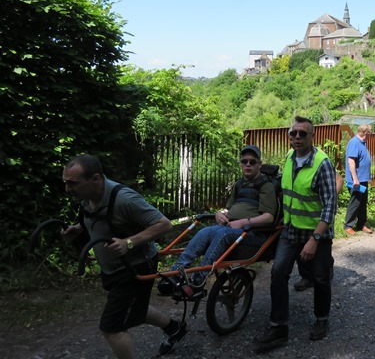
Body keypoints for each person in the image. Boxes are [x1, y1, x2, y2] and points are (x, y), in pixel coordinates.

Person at [61, 154, 187, 358]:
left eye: (73, 183)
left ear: (95, 179)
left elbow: (164, 225)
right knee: (133, 307)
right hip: (113, 268)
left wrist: (129, 242)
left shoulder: (124, 199)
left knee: (111, 327)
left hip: (135, 266)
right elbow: (94, 220)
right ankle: (175, 328)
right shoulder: (86, 197)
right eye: (66, 183)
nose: (68, 189)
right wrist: (78, 228)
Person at [255, 116, 338, 351]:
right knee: (278, 273)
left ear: (313, 136)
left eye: (303, 133)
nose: (298, 137)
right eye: (294, 133)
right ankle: (278, 327)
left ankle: (322, 319)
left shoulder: (322, 164)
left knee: (321, 277)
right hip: (291, 229)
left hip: (316, 233)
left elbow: (330, 206)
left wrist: (315, 239)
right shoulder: (290, 157)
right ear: (289, 136)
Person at [159, 145, 277, 290]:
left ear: (259, 164)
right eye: (244, 161)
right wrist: (220, 214)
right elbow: (229, 208)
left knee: (222, 233)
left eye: (252, 162)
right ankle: (175, 273)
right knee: (205, 231)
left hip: (253, 233)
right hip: (231, 228)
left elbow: (269, 217)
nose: (247, 164)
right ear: (240, 163)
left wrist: (243, 222)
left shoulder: (266, 186)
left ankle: (198, 278)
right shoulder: (239, 184)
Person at [344, 124, 373, 235]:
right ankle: (348, 226)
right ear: (366, 133)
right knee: (355, 203)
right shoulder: (354, 143)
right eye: (370, 133)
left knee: (363, 203)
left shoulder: (362, 143)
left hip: (363, 179)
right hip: (356, 181)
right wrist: (355, 179)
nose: (370, 135)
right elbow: (351, 161)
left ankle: (361, 224)